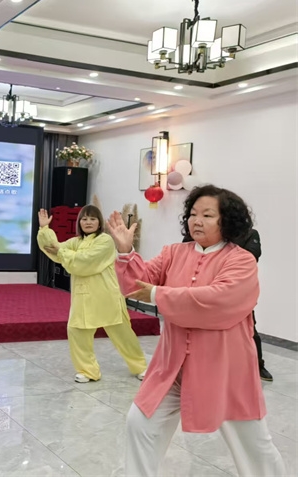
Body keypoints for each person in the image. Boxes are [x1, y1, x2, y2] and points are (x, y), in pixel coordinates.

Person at [107, 184, 285, 477]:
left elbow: (218, 301)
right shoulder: (173, 253)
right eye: (192, 214)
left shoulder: (241, 260)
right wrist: (126, 251)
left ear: (226, 221)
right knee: (140, 424)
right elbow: (135, 285)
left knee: (254, 446)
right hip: (172, 367)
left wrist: (158, 295)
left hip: (225, 372)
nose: (197, 221)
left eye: (207, 215)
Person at [37, 205, 147, 383]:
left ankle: (140, 367)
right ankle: (88, 371)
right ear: (79, 222)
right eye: (84, 219)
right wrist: (44, 229)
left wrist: (63, 253)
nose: (88, 222)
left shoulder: (105, 241)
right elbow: (53, 249)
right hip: (83, 297)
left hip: (106, 296)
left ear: (99, 222)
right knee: (77, 332)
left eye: (92, 219)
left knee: (123, 335)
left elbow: (85, 262)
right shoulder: (75, 242)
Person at [183, 228, 273, 382]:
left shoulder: (249, 233)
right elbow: (187, 252)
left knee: (249, 329)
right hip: (205, 287)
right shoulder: (204, 231)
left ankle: (258, 365)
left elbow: (252, 256)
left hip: (236, 290)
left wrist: (217, 257)